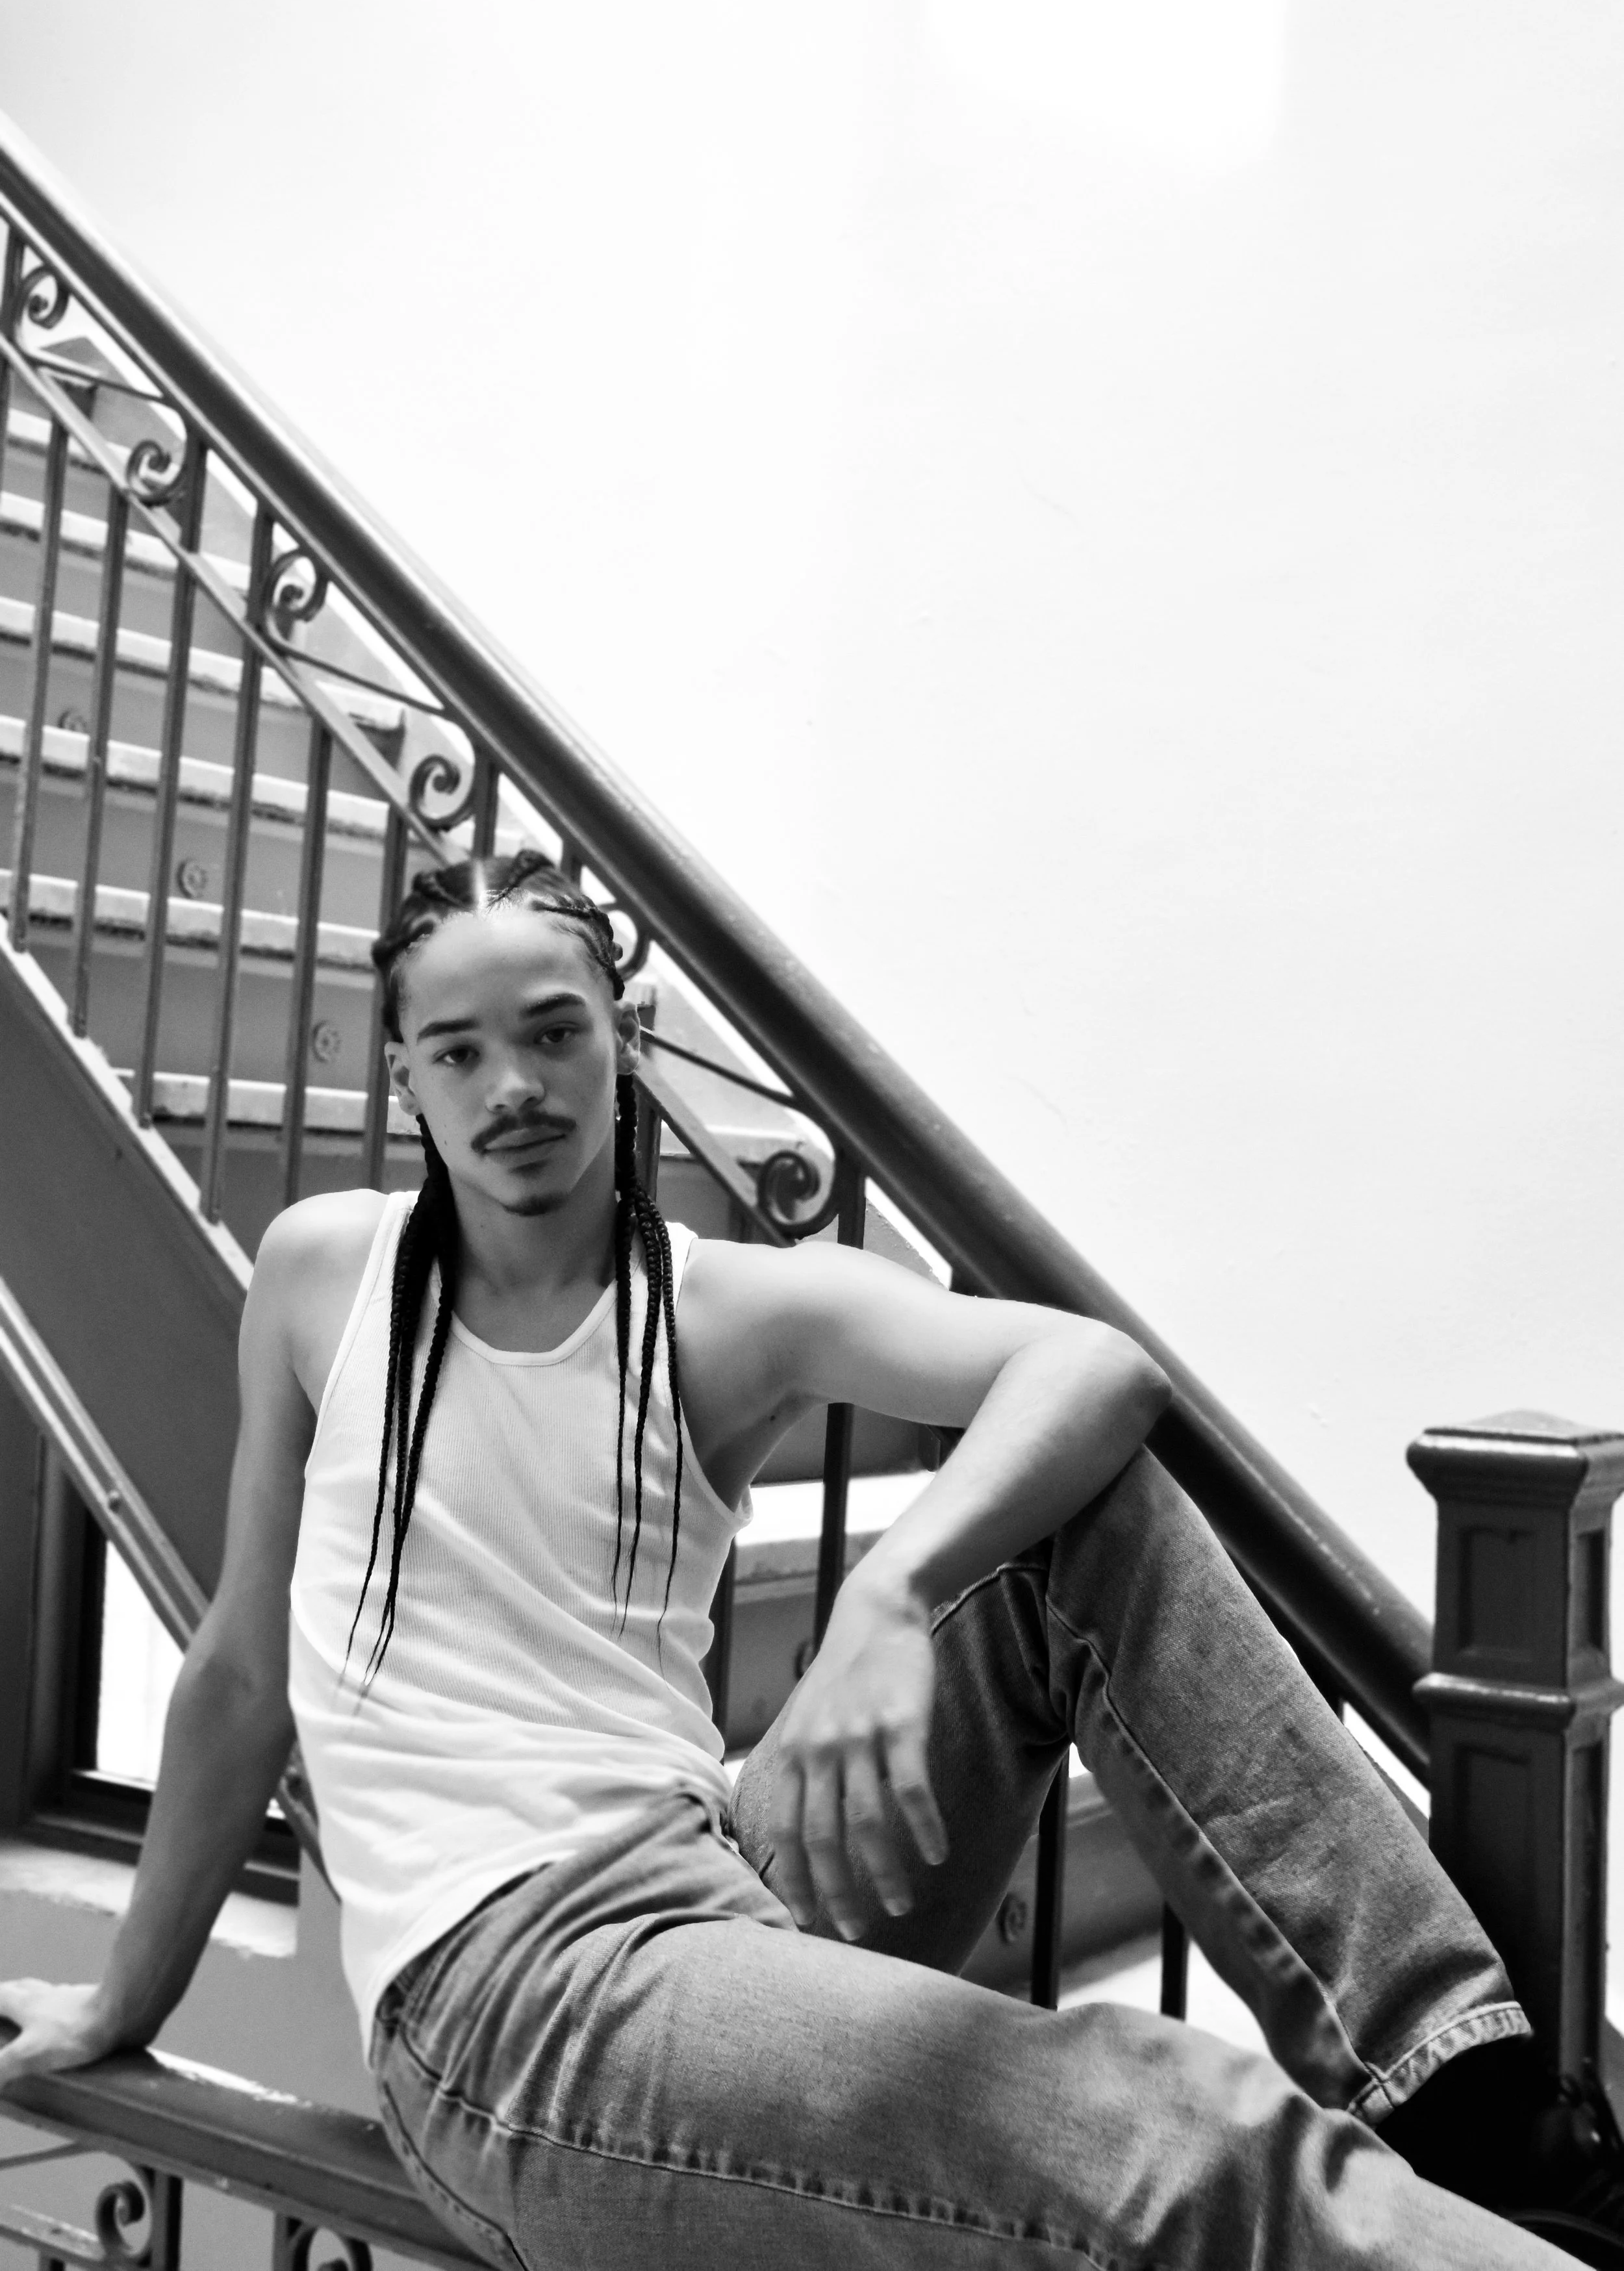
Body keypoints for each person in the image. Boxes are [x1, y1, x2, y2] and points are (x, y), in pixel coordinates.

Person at [0, 853, 1616, 2270]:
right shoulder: (318, 1280)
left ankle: (1458, 2103)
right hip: (515, 1998)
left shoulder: (712, 1311)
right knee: (1167, 2130)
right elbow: (236, 1671)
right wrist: (122, 2004)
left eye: (555, 1032)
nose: (514, 1087)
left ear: (619, 1044)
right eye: (460, 1050)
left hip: (724, 1877)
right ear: (404, 1077)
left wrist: (891, 1591)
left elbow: (1090, 1370)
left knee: (1082, 1515)